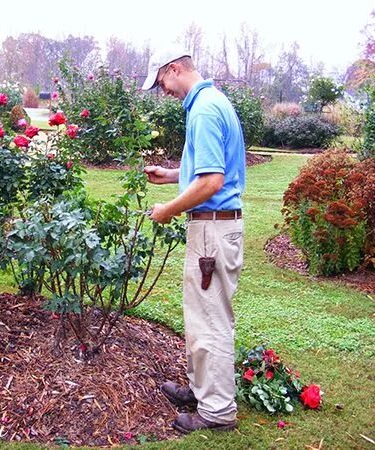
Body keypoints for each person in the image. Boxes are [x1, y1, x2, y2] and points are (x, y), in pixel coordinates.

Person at [141, 47, 246, 434]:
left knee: (211, 321)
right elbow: (210, 168)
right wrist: (172, 174)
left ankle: (217, 412)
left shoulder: (203, 110)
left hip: (212, 232)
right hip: (216, 228)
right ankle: (202, 390)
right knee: (202, 316)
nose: (163, 90)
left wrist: (167, 209)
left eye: (162, 82)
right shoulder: (212, 101)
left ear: (175, 69)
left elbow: (212, 182)